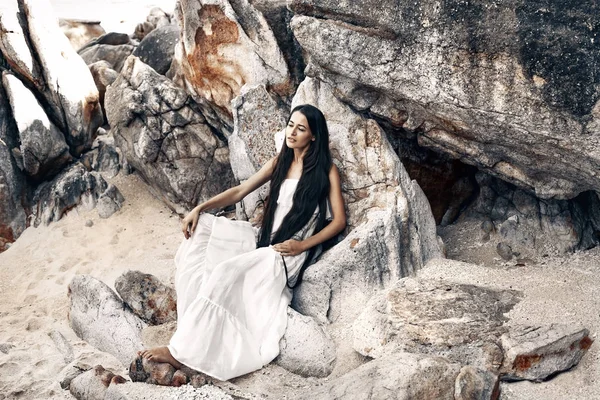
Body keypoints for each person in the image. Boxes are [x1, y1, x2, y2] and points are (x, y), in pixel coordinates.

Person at [139, 104, 346, 380]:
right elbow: (239, 191)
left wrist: (302, 246)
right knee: (205, 233)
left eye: (301, 128)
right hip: (265, 238)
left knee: (225, 272)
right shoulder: (280, 161)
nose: (292, 132)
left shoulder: (325, 171)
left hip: (286, 253)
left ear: (314, 136)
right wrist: (200, 209)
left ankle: (178, 353)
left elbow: (339, 221)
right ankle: (187, 333)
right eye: (290, 124)